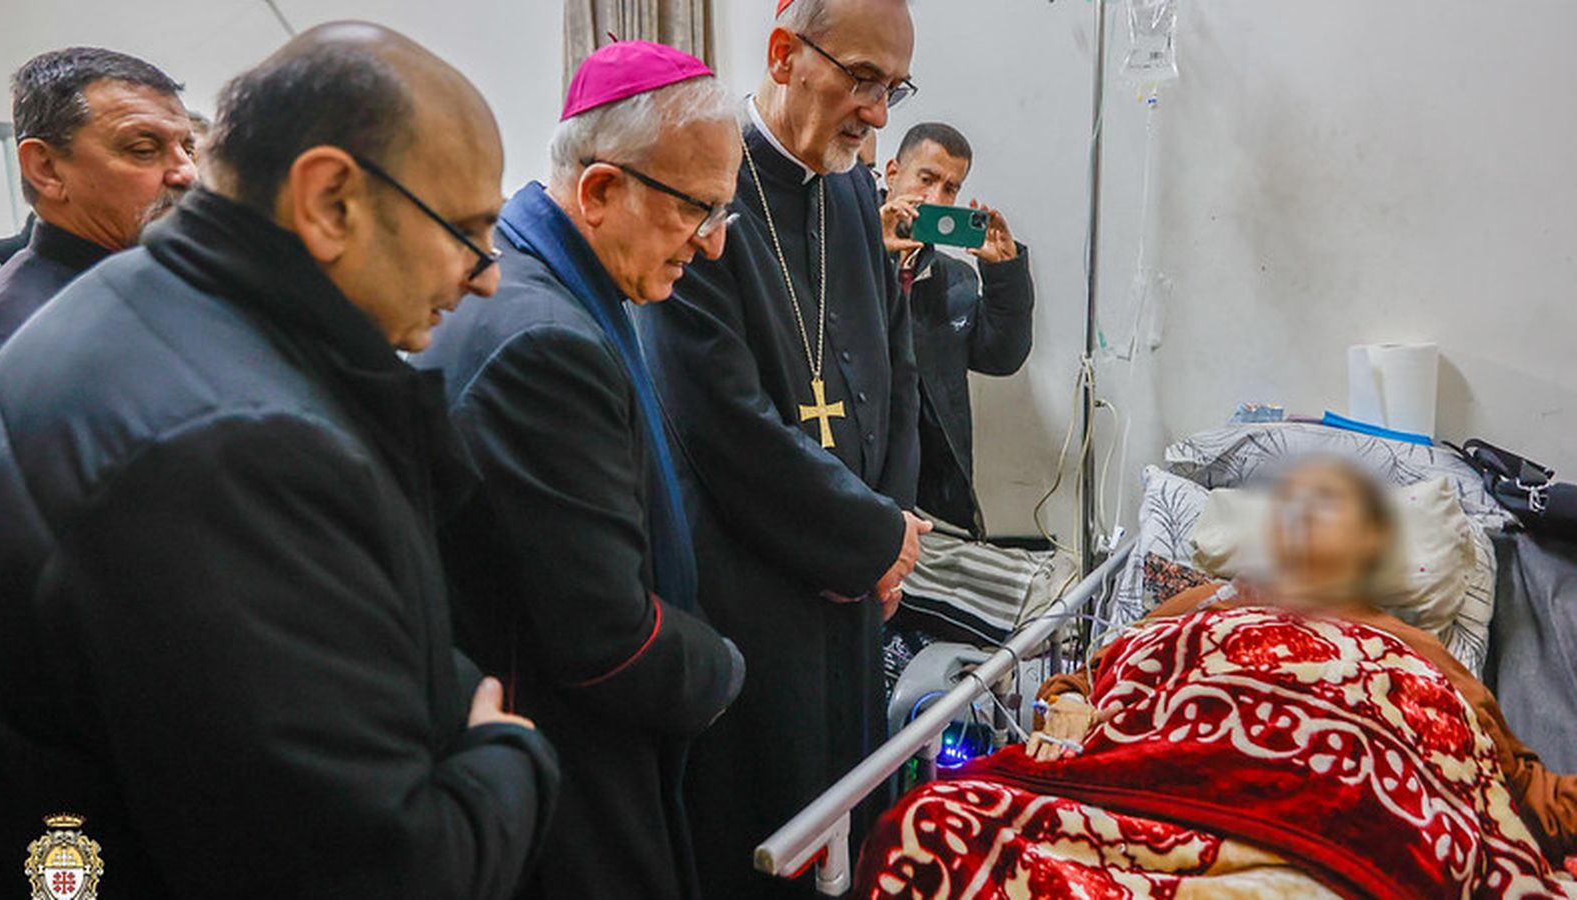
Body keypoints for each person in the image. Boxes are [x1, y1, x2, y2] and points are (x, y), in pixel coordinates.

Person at [0, 22, 558, 899]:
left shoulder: (133, 298)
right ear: (329, 201)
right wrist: (506, 752)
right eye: (468, 233)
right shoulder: (238, 449)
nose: (485, 280)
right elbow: (382, 872)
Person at [414, 42, 745, 900]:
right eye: (696, 212)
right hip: (566, 767)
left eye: (722, 217)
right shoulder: (542, 338)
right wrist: (725, 667)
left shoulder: (556, 282)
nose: (709, 248)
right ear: (600, 192)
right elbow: (606, 639)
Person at [636, 0, 925, 894]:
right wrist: (869, 541)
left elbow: (895, 365)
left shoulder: (848, 187)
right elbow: (722, 425)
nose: (880, 115)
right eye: (863, 80)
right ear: (784, 54)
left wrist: (894, 529)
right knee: (772, 837)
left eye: (895, 87)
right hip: (754, 590)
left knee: (856, 809)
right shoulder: (705, 184)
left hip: (857, 587)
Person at [1030, 457, 1577, 863]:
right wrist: (1071, 701)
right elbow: (1095, 676)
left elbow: (1515, 786)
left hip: (1329, 830)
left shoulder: (1410, 648)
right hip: (1145, 795)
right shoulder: (1205, 605)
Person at [0, 48, 196, 369]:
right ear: (46, 169)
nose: (188, 173)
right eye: (144, 150)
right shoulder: (5, 342)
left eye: (189, 149)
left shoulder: (186, 285)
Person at [880, 122, 1033, 540]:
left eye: (950, 188)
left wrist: (1004, 274)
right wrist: (876, 256)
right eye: (926, 179)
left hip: (934, 493)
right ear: (893, 173)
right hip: (864, 477)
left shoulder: (954, 279)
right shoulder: (846, 247)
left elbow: (1002, 357)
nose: (935, 198)